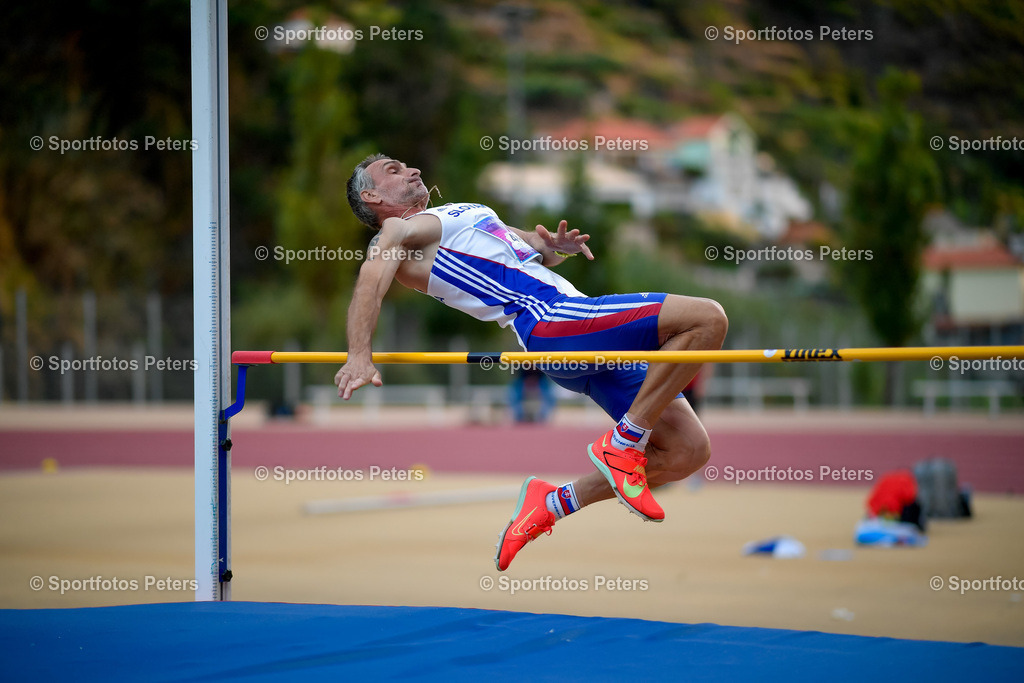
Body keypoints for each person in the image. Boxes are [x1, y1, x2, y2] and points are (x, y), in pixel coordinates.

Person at [336, 154, 728, 571]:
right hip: (555, 323)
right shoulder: (399, 231)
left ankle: (552, 503)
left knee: (688, 450)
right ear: (372, 197)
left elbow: (528, 248)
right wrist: (359, 353)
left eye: (406, 165)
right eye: (393, 171)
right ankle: (624, 442)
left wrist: (552, 247)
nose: (412, 170)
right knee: (707, 319)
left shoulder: (459, 213)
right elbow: (371, 278)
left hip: (578, 339)